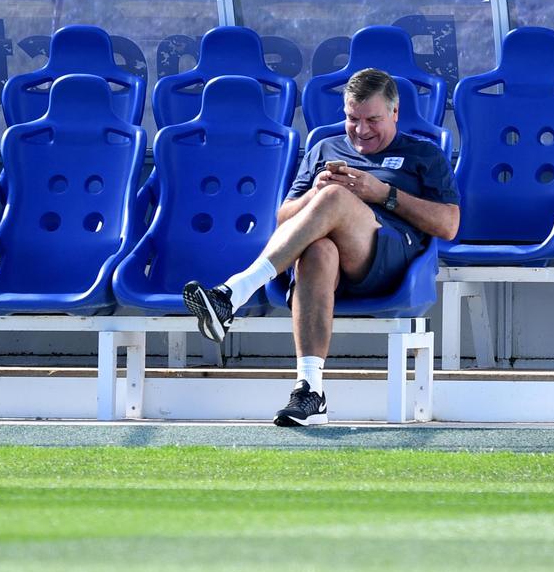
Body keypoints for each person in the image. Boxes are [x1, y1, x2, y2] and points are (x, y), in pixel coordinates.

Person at [183, 68, 460, 426]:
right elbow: (286, 216)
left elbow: (449, 225)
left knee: (334, 196)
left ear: (395, 113)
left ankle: (235, 291)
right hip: (332, 266)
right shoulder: (324, 148)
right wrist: (314, 192)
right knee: (318, 251)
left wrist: (384, 194)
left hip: (390, 259)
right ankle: (310, 390)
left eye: (372, 119)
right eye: (352, 119)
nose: (361, 131)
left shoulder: (423, 154)